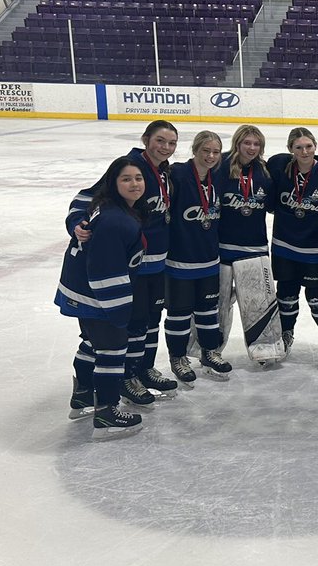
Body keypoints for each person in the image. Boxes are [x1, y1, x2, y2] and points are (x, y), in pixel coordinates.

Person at [68, 119, 182, 407]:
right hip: (135, 266)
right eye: (159, 141)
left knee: (151, 322)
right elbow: (85, 198)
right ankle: (126, 376)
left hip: (159, 263)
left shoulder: (164, 171)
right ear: (146, 139)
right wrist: (76, 224)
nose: (165, 148)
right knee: (133, 324)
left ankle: (144, 369)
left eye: (171, 143)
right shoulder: (131, 167)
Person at [55, 157, 148, 439]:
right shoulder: (115, 220)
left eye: (138, 178)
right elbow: (104, 270)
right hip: (94, 295)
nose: (134, 184)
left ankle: (83, 394)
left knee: (93, 343)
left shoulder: (112, 208)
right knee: (112, 349)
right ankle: (107, 411)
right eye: (126, 179)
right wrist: (118, 309)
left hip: (80, 291)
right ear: (113, 183)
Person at [268, 127, 318, 358]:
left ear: (315, 146)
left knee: (317, 295)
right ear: (290, 149)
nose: (304, 151)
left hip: (315, 249)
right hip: (284, 246)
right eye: (298, 147)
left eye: (308, 146)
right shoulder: (279, 166)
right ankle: (286, 333)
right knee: (286, 293)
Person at [165, 131, 233, 384]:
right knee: (179, 313)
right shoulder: (178, 175)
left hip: (209, 260)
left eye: (216, 151)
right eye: (206, 150)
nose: (211, 156)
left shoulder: (218, 176)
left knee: (208, 312)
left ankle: (209, 352)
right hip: (179, 261)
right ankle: (177, 357)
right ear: (195, 150)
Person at [215, 124, 278, 362]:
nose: (252, 148)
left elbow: (271, 205)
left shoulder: (264, 171)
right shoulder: (219, 165)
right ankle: (209, 349)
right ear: (237, 143)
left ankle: (265, 349)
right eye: (247, 143)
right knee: (219, 304)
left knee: (258, 304)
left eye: (256, 144)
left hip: (254, 249)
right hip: (221, 249)